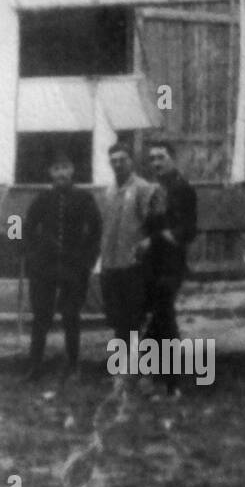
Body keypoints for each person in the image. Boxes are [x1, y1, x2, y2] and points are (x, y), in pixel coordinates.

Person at [22, 149, 103, 381]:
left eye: (65, 168)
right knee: (41, 317)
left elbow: (97, 231)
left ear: (72, 171)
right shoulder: (41, 199)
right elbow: (22, 226)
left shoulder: (84, 198)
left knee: (71, 316)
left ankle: (73, 366)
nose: (61, 173)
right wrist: (29, 253)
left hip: (74, 267)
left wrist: (87, 260)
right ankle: (34, 366)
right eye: (56, 169)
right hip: (44, 268)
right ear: (50, 173)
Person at [145, 141, 198, 393]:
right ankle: (156, 376)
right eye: (152, 158)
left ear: (172, 159)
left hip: (171, 263)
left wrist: (168, 235)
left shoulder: (184, 189)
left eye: (161, 157)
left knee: (164, 318)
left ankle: (171, 381)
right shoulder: (152, 190)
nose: (156, 163)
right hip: (151, 263)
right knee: (158, 317)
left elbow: (190, 230)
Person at [97, 142, 162, 341]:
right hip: (111, 265)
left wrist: (148, 245)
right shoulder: (108, 192)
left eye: (122, 160)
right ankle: (123, 366)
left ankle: (137, 367)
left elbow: (157, 226)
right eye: (113, 161)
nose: (118, 164)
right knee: (117, 321)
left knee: (135, 319)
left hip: (134, 266)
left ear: (131, 161)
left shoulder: (144, 189)